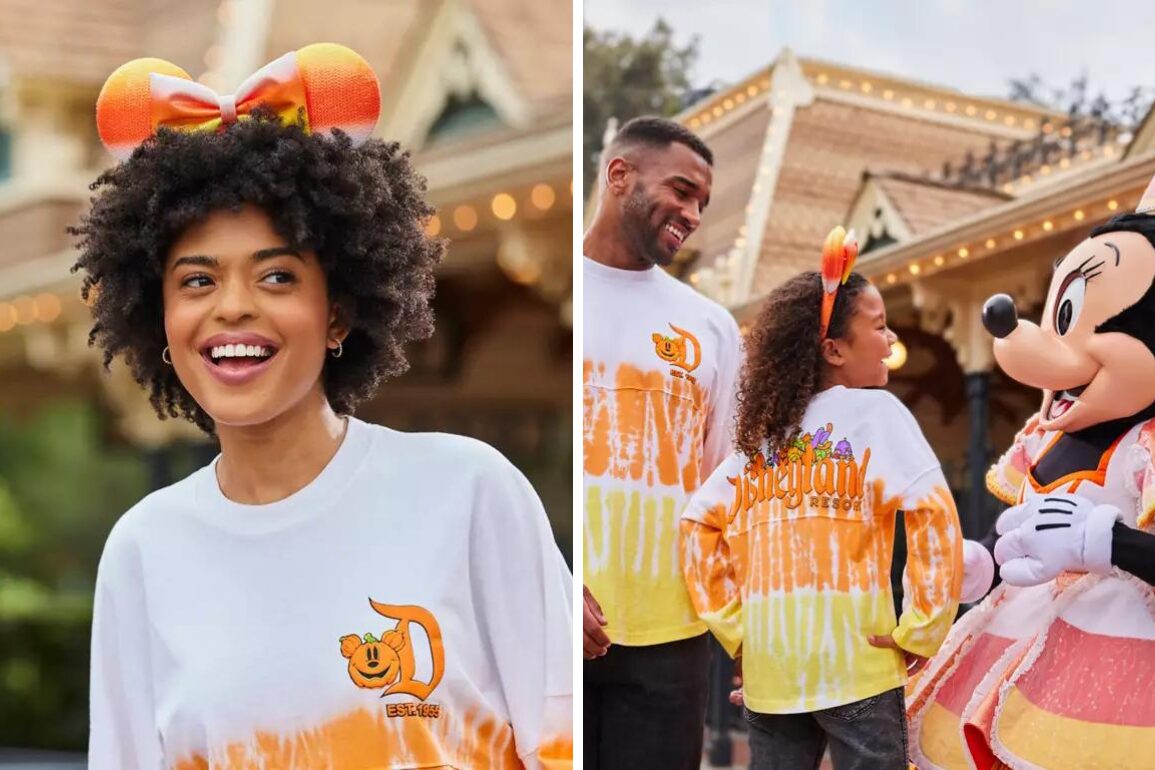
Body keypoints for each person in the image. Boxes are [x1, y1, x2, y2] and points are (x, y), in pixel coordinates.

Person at [79, 44, 572, 769]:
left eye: (277, 276)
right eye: (196, 281)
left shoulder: (468, 491)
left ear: (338, 313)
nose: (233, 309)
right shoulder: (142, 550)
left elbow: (561, 740)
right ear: (159, 319)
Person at [681, 227, 963, 770]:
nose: (891, 341)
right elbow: (935, 517)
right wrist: (921, 629)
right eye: (879, 327)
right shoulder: (877, 415)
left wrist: (739, 632)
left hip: (772, 673)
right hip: (858, 665)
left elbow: (696, 525)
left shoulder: (759, 446)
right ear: (833, 348)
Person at [909, 179, 1155, 770]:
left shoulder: (1147, 446)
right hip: (1019, 624)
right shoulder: (1047, 440)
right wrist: (985, 560)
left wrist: (1106, 541)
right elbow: (1021, 526)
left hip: (1120, 646)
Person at [582, 116, 741, 768]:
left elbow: (724, 489)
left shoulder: (711, 327)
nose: (692, 212)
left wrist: (745, 636)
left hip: (672, 639)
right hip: (547, 617)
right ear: (619, 175)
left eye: (701, 201)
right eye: (681, 190)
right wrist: (550, 581)